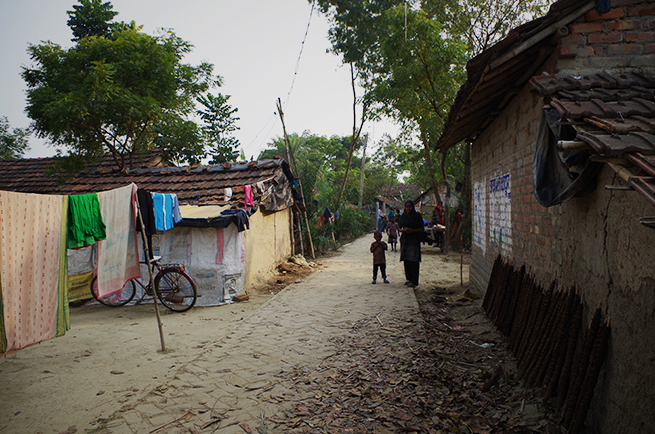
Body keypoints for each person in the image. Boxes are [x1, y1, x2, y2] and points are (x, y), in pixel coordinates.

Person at [398, 199, 424, 288]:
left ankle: (414, 280)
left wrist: (412, 230)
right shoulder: (403, 216)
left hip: (414, 241)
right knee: (406, 260)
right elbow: (399, 226)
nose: (408, 209)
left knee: (414, 260)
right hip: (405, 240)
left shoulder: (417, 216)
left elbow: (421, 229)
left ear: (412, 207)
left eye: (410, 207)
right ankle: (408, 278)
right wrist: (403, 230)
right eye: (407, 207)